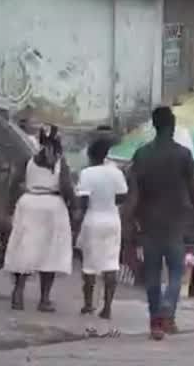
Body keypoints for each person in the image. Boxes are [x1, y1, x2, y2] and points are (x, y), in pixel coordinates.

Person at [130, 106, 194, 341]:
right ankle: (167, 309)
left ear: (154, 125)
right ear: (172, 126)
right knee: (176, 272)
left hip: (149, 222)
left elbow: (134, 194)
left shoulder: (141, 154)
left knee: (151, 275)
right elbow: (193, 191)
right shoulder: (183, 155)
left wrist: (131, 223)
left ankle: (156, 323)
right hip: (175, 222)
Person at [5, 125, 74, 312]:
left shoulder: (28, 160)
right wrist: (72, 204)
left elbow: (14, 183)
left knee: (24, 249)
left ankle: (18, 294)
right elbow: (67, 187)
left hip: (28, 204)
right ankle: (44, 300)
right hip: (52, 206)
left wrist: (10, 207)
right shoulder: (60, 162)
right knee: (49, 253)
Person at [75, 135, 128, 319]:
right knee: (111, 263)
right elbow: (122, 197)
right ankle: (107, 308)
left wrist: (77, 219)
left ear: (90, 155)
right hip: (112, 220)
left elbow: (83, 200)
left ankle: (88, 304)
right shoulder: (116, 173)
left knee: (89, 264)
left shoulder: (87, 173)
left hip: (93, 219)